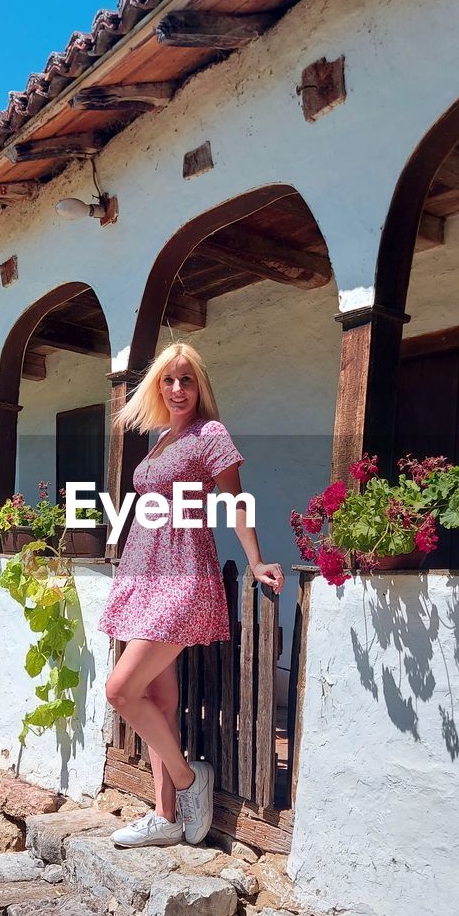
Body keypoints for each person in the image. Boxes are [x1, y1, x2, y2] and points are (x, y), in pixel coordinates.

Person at [99, 342, 285, 848]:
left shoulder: (211, 435)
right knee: (157, 696)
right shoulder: (161, 440)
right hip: (144, 572)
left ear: (200, 385)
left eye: (186, 379)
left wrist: (255, 559)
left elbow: (235, 500)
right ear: (158, 387)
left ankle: (186, 780)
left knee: (121, 690)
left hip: (183, 574)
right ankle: (166, 816)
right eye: (168, 380)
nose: (177, 389)